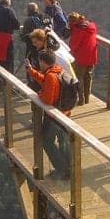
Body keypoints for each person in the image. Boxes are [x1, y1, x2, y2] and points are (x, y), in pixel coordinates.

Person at [26, 49, 71, 180]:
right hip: (64, 112)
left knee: (46, 141)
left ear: (42, 62)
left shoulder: (51, 76)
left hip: (55, 116)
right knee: (64, 141)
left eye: (39, 61)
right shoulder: (57, 70)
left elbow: (47, 100)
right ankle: (69, 167)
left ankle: (63, 169)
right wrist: (31, 71)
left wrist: (39, 94)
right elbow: (45, 81)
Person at [68, 11, 97, 105]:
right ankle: (87, 97)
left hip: (80, 58)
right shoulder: (91, 26)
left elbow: (73, 45)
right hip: (91, 56)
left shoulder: (78, 31)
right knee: (88, 77)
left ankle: (81, 99)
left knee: (79, 77)